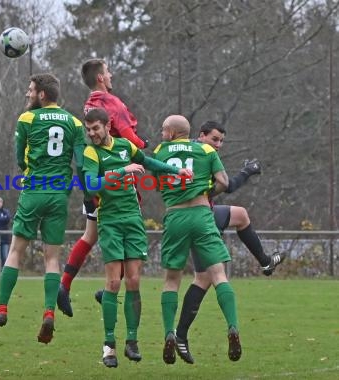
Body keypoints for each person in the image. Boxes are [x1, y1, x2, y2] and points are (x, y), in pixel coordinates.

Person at [82, 108, 192, 367]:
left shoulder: (124, 146)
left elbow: (148, 162)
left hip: (132, 219)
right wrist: (123, 171)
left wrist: (174, 171)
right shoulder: (91, 153)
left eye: (96, 128)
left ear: (108, 125)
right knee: (112, 284)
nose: (92, 134)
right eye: (88, 130)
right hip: (109, 221)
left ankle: (132, 341)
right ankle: (109, 346)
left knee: (133, 280)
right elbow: (90, 185)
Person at [0, 73, 86, 344]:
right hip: (58, 195)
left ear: (42, 94)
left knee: (15, 252)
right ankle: (49, 312)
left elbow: (20, 157)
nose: (27, 94)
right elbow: (82, 164)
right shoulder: (75, 123)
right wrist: (86, 191)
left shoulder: (27, 119)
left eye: (30, 90)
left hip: (34, 191)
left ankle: (1, 309)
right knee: (52, 258)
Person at [173, 121, 286, 364]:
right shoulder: (203, 154)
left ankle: (266, 262)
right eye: (215, 139)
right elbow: (228, 185)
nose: (218, 145)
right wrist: (248, 171)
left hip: (196, 214)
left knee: (241, 215)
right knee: (206, 278)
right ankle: (181, 336)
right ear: (201, 136)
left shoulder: (185, 151)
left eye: (221, 140)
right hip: (199, 219)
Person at [57, 58, 149, 318]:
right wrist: (142, 144)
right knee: (121, 231)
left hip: (92, 174)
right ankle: (102, 289)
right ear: (100, 77)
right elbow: (124, 131)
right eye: (108, 72)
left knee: (91, 234)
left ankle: (71, 287)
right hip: (112, 182)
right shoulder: (108, 102)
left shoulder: (90, 104)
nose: (111, 75)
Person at [152, 115, 242, 364]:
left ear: (171, 132)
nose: (161, 134)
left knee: (172, 280)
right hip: (203, 215)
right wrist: (206, 191)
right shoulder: (204, 148)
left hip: (175, 216)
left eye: (163, 130)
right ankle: (233, 326)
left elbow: (158, 183)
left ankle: (170, 332)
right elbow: (224, 181)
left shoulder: (161, 150)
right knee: (218, 275)